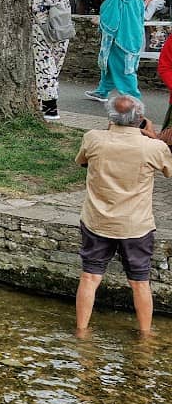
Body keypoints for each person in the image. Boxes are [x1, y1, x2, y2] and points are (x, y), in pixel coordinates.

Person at [74, 94, 172, 337]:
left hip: (97, 221)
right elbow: (168, 170)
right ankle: (145, 334)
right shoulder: (153, 147)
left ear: (111, 117)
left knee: (89, 277)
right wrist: (153, 136)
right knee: (140, 282)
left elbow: (82, 161)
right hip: (135, 225)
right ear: (140, 118)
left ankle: (82, 331)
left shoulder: (93, 139)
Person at [86, 0, 144, 102]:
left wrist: (99, 21)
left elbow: (111, 19)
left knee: (123, 68)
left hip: (120, 38)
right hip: (133, 35)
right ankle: (102, 90)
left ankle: (133, 99)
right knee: (111, 64)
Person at [27, 0, 72, 122]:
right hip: (61, 29)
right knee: (55, 67)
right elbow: (66, 5)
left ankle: (49, 107)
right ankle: (44, 102)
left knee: (44, 68)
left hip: (41, 33)